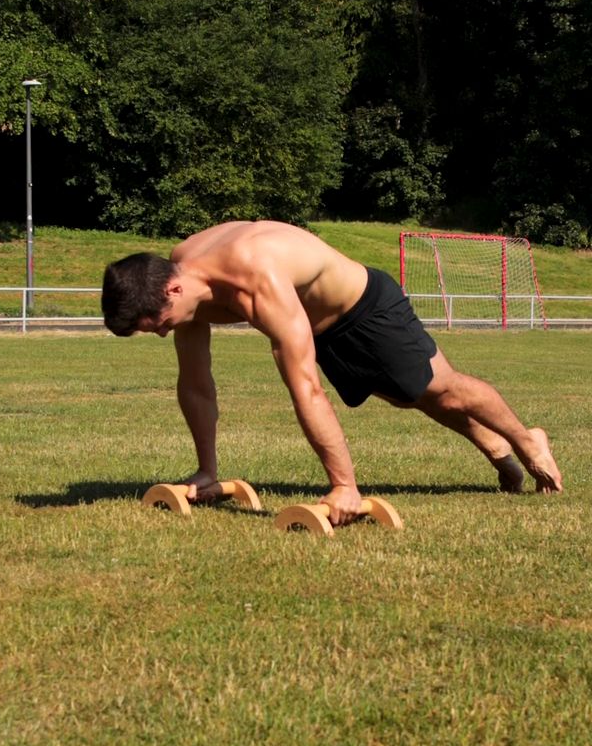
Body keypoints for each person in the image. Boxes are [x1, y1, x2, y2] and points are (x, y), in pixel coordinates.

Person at [102, 220, 562, 525]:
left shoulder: (252, 276)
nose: (163, 334)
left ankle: (527, 440)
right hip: (317, 325)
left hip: (364, 307)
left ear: (174, 288)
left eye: (160, 324)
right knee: (409, 393)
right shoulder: (181, 271)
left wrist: (344, 486)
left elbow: (306, 388)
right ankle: (493, 443)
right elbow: (196, 384)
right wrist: (207, 470)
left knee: (443, 388)